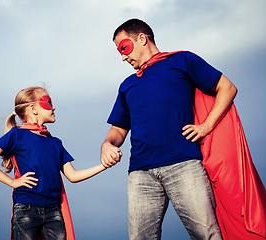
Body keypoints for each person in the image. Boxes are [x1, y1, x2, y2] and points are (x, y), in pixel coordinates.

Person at [101, 18, 238, 240]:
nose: (123, 56)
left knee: (207, 235)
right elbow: (119, 129)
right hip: (140, 174)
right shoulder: (127, 85)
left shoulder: (182, 60)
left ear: (142, 39)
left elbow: (227, 87)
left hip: (184, 166)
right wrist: (107, 145)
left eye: (123, 47)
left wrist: (206, 126)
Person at [0, 86, 116, 240]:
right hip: (26, 208)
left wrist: (105, 165)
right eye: (48, 102)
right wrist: (13, 182)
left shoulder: (55, 143)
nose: (53, 107)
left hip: (54, 211)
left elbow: (73, 175)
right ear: (33, 108)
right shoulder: (16, 135)